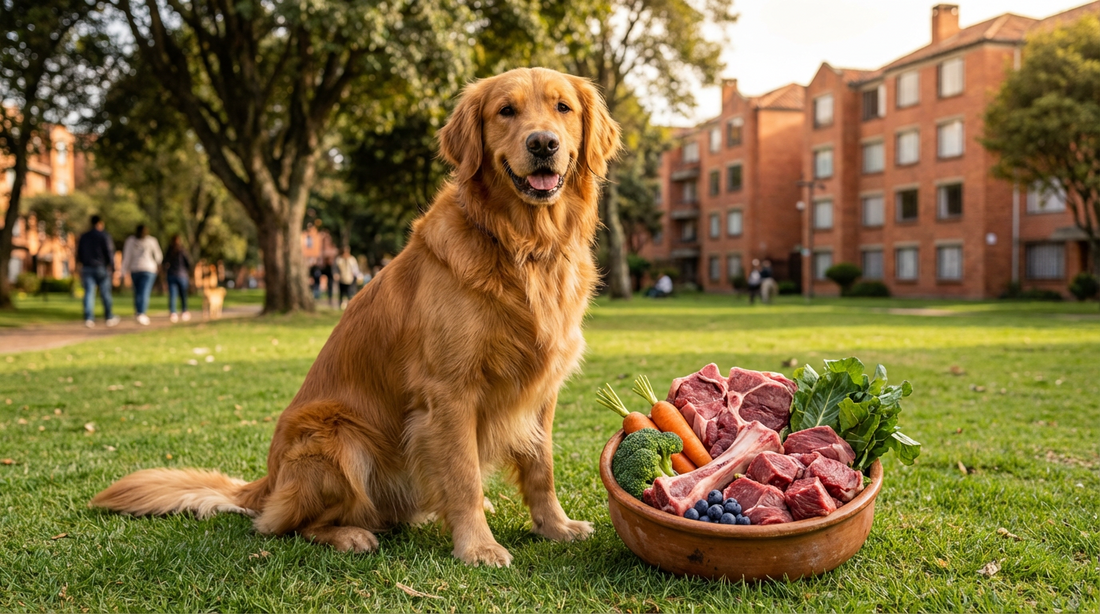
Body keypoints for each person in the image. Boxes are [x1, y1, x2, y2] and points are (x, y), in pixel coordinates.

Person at [76, 215, 119, 328]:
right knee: (105, 293)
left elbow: (79, 252)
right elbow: (109, 251)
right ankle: (109, 317)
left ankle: (89, 318)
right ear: (100, 223)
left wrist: (79, 265)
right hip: (101, 267)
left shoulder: (84, 236)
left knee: (89, 293)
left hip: (87, 268)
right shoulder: (104, 236)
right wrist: (113, 266)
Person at [121, 224, 162, 325]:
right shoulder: (151, 241)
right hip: (147, 269)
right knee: (143, 291)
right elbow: (158, 257)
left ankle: (139, 312)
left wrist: (123, 270)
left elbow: (127, 257)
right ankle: (141, 313)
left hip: (138, 269)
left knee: (139, 291)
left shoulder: (131, 241)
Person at [165, 235, 192, 323]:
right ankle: (184, 311)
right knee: (183, 295)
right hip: (182, 275)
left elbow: (164, 262)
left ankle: (173, 312)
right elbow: (188, 263)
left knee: (173, 294)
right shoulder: (182, 250)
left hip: (172, 275)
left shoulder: (169, 251)